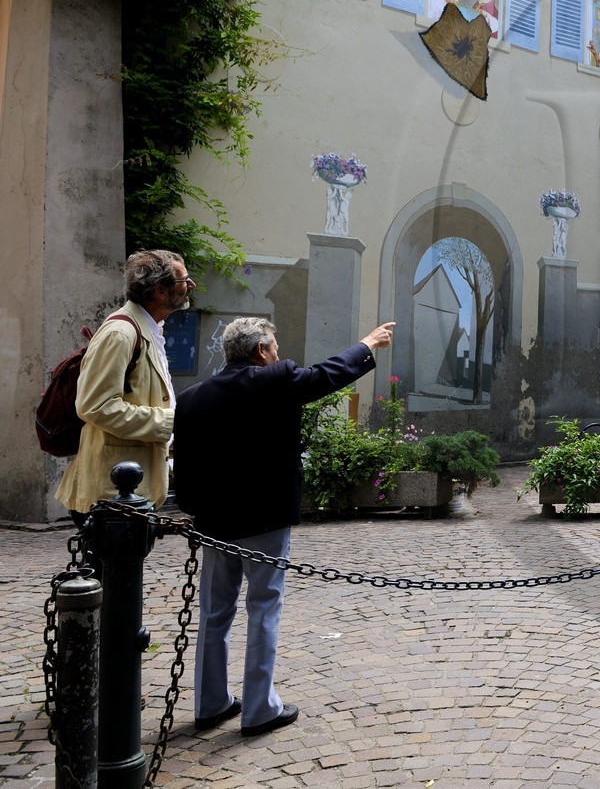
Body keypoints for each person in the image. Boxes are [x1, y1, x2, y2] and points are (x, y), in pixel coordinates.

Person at [176, 317, 395, 736]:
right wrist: (367, 343)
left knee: (214, 612)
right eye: (274, 346)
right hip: (264, 518)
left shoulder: (192, 398)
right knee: (263, 608)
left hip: (213, 522)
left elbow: (183, 469)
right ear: (261, 350)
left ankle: (210, 702)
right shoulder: (272, 379)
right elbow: (327, 375)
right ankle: (259, 708)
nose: (278, 353)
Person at [55, 250, 192, 523]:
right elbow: (96, 406)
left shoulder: (149, 329)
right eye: (183, 280)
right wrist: (170, 422)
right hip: (111, 492)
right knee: (110, 566)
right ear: (159, 291)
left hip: (130, 490)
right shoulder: (121, 334)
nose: (190, 285)